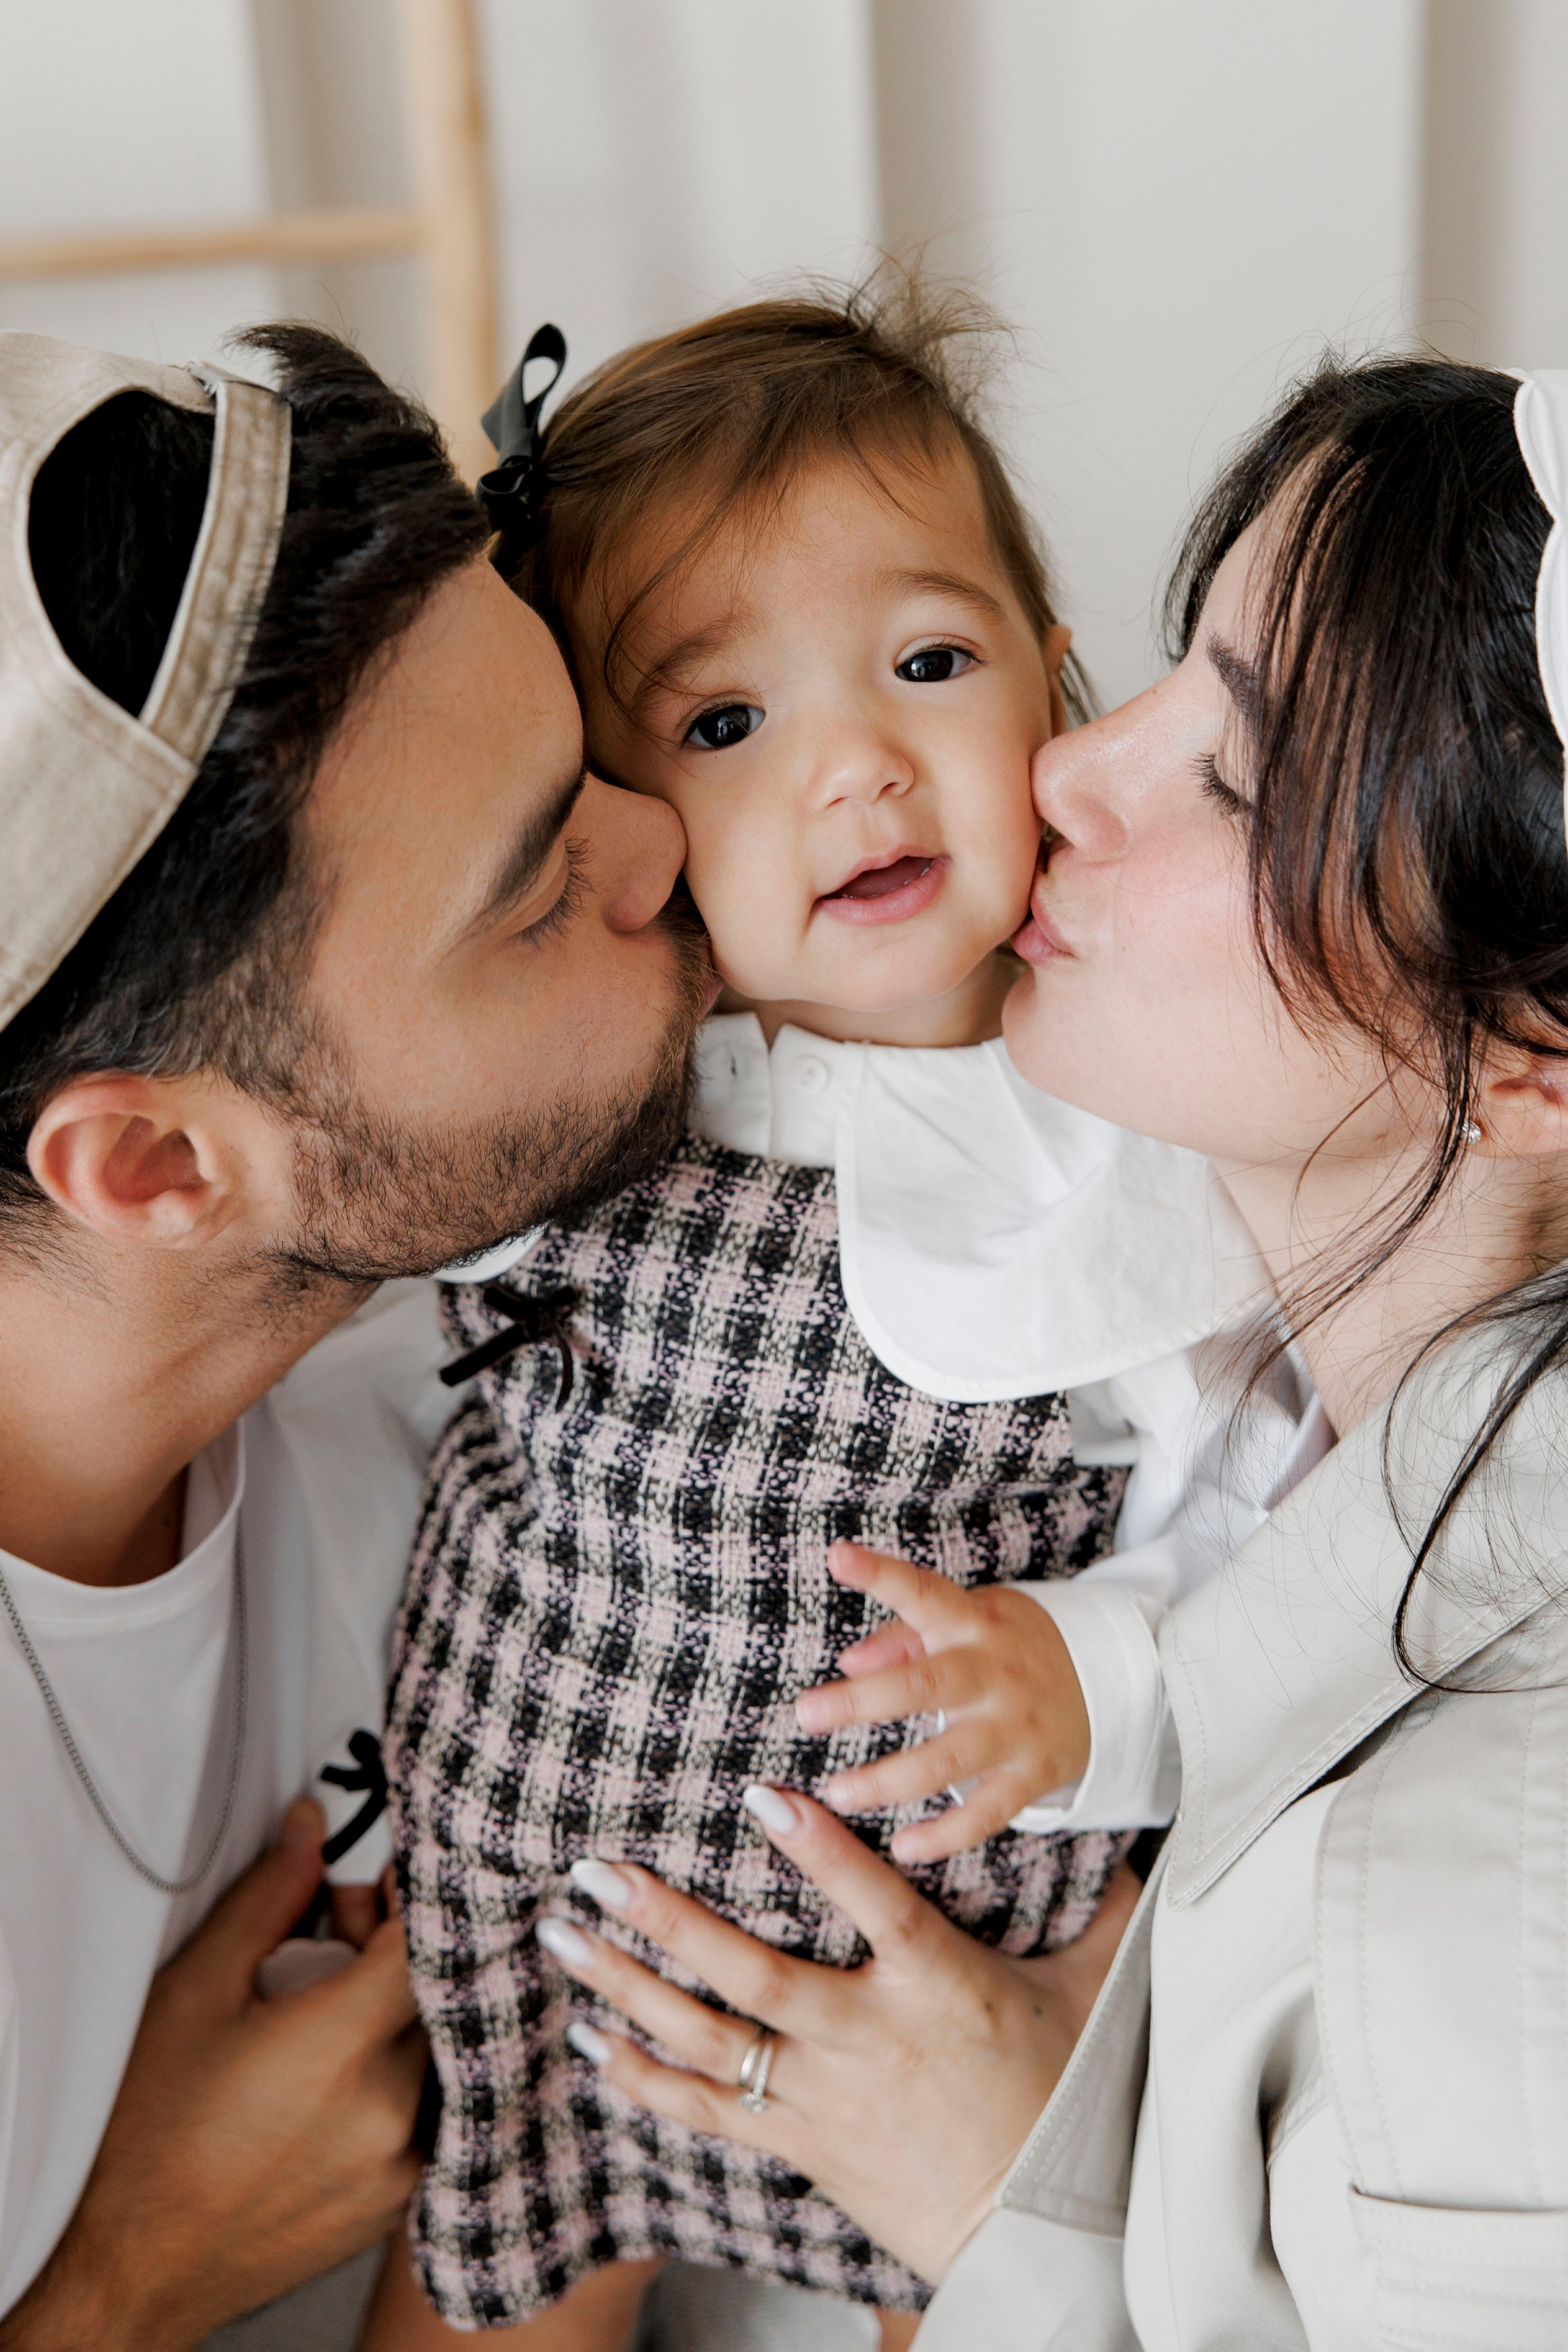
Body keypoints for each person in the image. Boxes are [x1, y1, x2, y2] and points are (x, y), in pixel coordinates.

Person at [508, 352, 1568, 2348]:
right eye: (1167, 676)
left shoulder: (1484, 1904)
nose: (1064, 769)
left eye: (1237, 772)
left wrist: (1019, 2201)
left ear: (1529, 1055)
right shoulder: (1372, 1484)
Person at [376, 285, 1262, 2348]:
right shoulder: (607, 1070)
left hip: (928, 1938)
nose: (859, 763)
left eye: (930, 665)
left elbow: (1257, 1503)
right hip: (548, 1890)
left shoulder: (1136, 1119)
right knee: (498, 2264)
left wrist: (1094, 1670)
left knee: (988, 2268)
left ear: (1060, 687)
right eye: (722, 723)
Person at [0, 323, 713, 2348]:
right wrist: (130, 2280)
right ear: (150, 1162)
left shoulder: (487, 1351)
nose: (656, 843)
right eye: (530, 889)